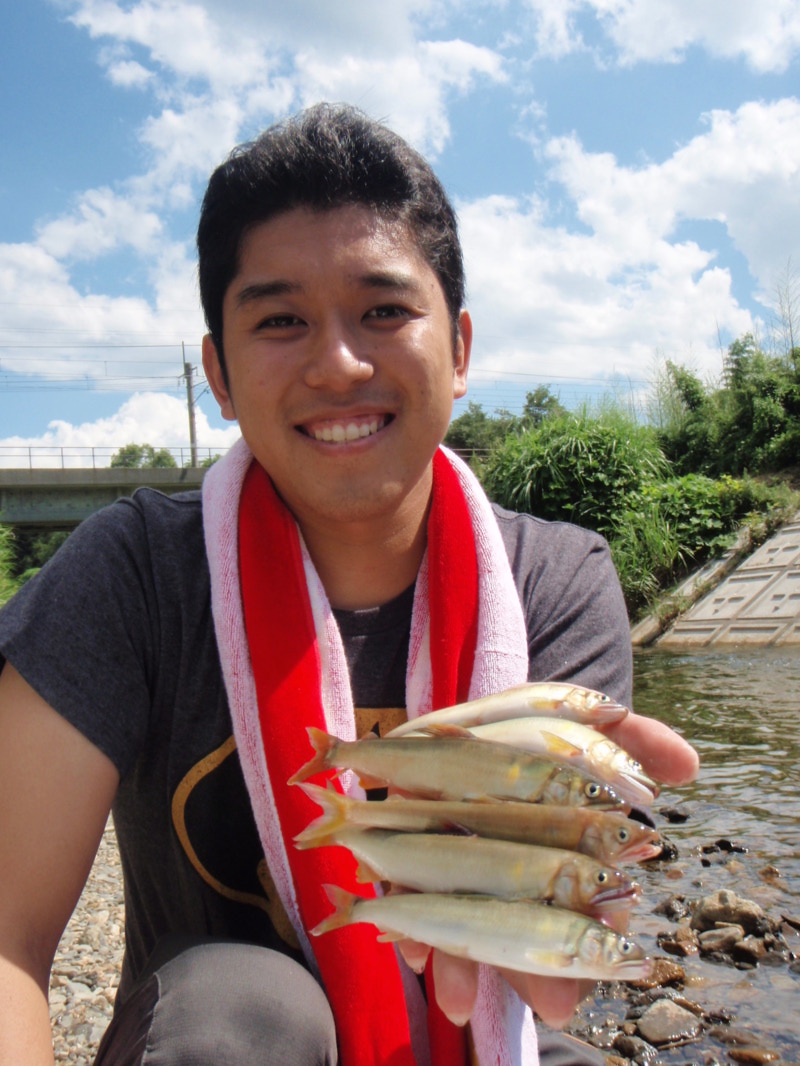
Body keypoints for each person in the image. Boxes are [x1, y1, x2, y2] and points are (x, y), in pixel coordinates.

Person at [0, 103, 698, 1066]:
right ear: (219, 375)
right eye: (281, 320)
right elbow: (8, 933)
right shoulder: (134, 575)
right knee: (240, 1008)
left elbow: (546, 912)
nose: (338, 364)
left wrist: (558, 898)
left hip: (476, 1035)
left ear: (459, 350)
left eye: (384, 311)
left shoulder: (556, 580)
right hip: (224, 1044)